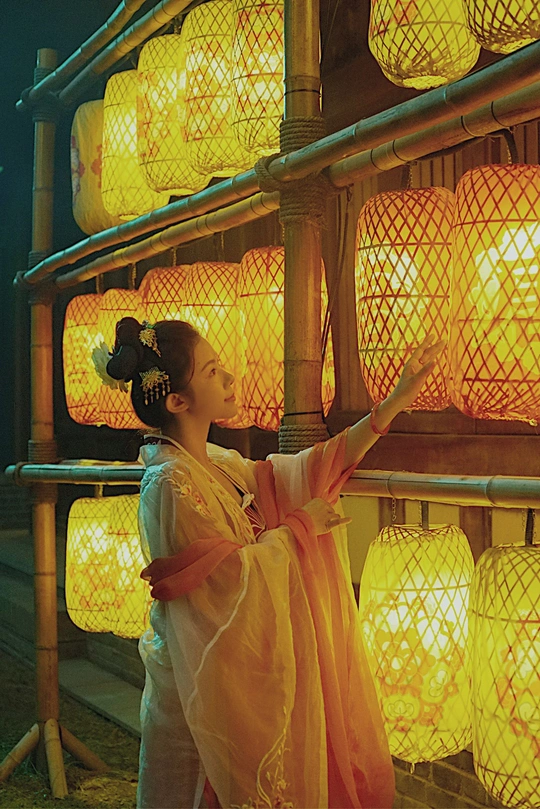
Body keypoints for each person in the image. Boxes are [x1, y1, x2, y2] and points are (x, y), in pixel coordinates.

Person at [106, 317, 444, 809]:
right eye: (212, 371)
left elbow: (304, 472)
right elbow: (222, 587)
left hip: (225, 674)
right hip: (201, 679)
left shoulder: (217, 464)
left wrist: (392, 403)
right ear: (177, 401)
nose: (229, 378)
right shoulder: (168, 482)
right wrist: (301, 528)